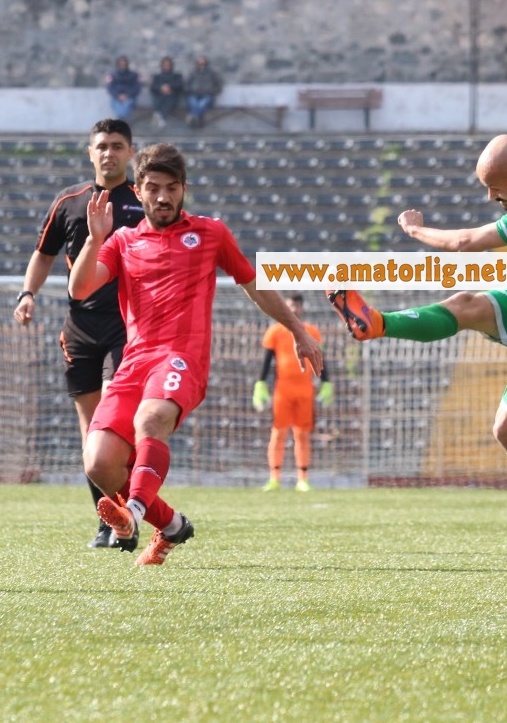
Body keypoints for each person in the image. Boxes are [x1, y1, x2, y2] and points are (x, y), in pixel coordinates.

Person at [328, 134, 507, 575]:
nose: (490, 197)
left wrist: (414, 230)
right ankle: (376, 323)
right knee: (466, 304)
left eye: (495, 189)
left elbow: (466, 242)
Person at [74, 142, 323, 567]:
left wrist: (298, 330)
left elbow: (254, 284)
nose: (163, 197)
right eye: (154, 188)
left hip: (180, 358)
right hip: (134, 362)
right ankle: (171, 525)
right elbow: (79, 288)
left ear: (184, 189)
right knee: (98, 463)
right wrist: (94, 239)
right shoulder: (122, 241)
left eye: (172, 188)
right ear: (138, 191)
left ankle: (133, 513)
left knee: (150, 419)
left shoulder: (210, 233)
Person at [15, 118, 143, 550]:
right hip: (80, 330)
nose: (109, 153)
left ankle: (133, 510)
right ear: (91, 152)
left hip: (126, 327)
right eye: (102, 145)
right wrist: (27, 294)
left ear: (130, 153)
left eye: (118, 145)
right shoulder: (69, 202)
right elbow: (43, 254)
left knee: (111, 420)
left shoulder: (144, 201)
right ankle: (109, 523)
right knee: (91, 433)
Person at [254, 293, 333, 492]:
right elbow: (267, 360)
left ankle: (302, 479)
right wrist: (261, 382)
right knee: (278, 433)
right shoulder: (275, 332)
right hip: (283, 390)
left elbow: (320, 357)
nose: (294, 309)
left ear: (302, 308)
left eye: (297, 306)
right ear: (285, 307)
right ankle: (274, 478)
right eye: (291, 305)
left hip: (305, 390)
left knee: (302, 434)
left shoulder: (312, 332)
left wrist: (326, 382)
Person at [184, 55, 224, 128]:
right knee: (193, 103)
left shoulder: (212, 73)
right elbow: (186, 85)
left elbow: (219, 86)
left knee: (202, 104)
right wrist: (192, 90)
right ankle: (196, 119)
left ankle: (193, 116)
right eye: (200, 62)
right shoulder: (192, 73)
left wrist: (210, 91)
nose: (201, 64)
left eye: (203, 63)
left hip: (207, 95)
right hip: (194, 94)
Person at [148, 56, 184, 129]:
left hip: (172, 95)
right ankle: (160, 116)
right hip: (160, 95)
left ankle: (161, 117)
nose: (166, 66)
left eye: (168, 64)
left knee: (168, 100)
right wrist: (161, 88)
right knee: (161, 99)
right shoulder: (157, 76)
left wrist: (169, 87)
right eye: (165, 64)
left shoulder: (176, 75)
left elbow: (180, 85)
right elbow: (153, 86)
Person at [104, 56, 141, 120]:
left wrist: (127, 95)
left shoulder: (134, 75)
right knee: (116, 105)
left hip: (129, 97)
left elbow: (137, 87)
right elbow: (110, 87)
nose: (122, 65)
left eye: (124, 64)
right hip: (116, 97)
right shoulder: (113, 75)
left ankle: (121, 120)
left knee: (127, 105)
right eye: (121, 64)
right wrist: (118, 96)